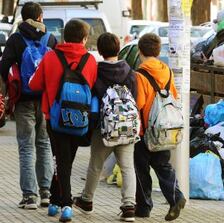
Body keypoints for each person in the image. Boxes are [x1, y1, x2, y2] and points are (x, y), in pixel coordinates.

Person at [29, 19, 97, 222]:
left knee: (62, 160)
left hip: (55, 118)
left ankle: (65, 204)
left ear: (63, 36)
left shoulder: (51, 57)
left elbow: (34, 85)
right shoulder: (90, 61)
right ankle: (55, 201)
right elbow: (92, 86)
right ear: (84, 38)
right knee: (65, 159)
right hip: (80, 118)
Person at [73, 32, 137, 222]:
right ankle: (129, 206)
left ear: (100, 51)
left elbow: (92, 98)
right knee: (127, 167)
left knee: (96, 165)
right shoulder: (130, 72)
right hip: (126, 126)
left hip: (104, 128)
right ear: (118, 49)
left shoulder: (97, 71)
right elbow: (136, 99)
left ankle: (87, 200)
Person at [0, 1, 57, 209]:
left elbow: (4, 67)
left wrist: (8, 92)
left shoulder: (15, 39)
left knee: (26, 147)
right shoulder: (50, 39)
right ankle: (46, 193)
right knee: (44, 144)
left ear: (24, 18)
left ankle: (29, 196)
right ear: (40, 17)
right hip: (45, 101)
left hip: (23, 101)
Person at [134, 33, 186, 221]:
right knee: (163, 166)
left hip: (145, 130)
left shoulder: (140, 74)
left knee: (141, 169)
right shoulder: (167, 71)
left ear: (140, 51)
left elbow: (138, 103)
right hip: (165, 129)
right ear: (158, 51)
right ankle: (176, 197)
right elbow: (172, 95)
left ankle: (144, 207)